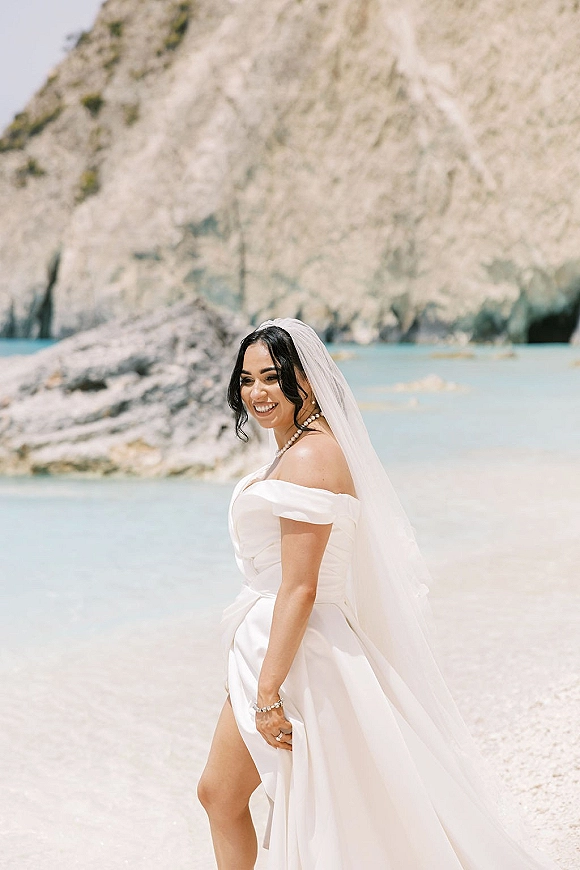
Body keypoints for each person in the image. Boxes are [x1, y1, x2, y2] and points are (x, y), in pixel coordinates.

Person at [197, 318, 555, 870]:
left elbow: (301, 586)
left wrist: (268, 690)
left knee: (304, 814)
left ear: (307, 381)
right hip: (274, 647)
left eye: (273, 377)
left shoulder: (312, 456)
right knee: (223, 795)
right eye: (247, 380)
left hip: (298, 656)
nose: (257, 393)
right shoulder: (296, 448)